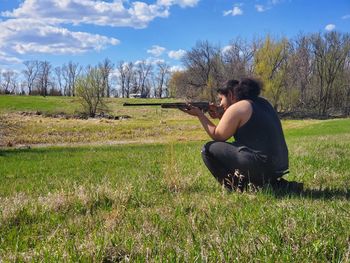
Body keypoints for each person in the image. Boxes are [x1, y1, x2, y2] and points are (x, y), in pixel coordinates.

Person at [180, 78, 296, 192]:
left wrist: (200, 115)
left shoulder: (239, 107)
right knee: (236, 146)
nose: (220, 103)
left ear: (230, 95)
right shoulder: (263, 103)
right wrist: (222, 115)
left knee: (207, 149)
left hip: (262, 167)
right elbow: (238, 129)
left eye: (221, 99)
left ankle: (236, 187)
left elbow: (218, 136)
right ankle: (271, 184)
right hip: (279, 166)